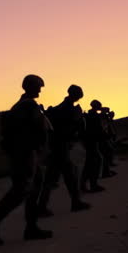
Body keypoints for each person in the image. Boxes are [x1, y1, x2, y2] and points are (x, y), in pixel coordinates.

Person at [0, 74, 53, 245]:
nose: (40, 90)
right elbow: (38, 129)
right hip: (24, 153)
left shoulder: (21, 106)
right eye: (38, 87)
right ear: (31, 87)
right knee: (21, 190)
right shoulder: (27, 106)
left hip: (27, 152)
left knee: (34, 187)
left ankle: (31, 227)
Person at [36, 84, 91, 217]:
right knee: (60, 177)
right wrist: (77, 121)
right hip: (60, 146)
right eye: (79, 93)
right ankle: (72, 203)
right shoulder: (67, 109)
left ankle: (71, 202)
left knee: (61, 176)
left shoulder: (61, 108)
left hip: (59, 146)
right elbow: (67, 128)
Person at [80, 100, 107, 193]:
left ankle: (84, 184)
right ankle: (93, 185)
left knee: (89, 163)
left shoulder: (90, 114)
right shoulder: (94, 116)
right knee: (94, 163)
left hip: (89, 141)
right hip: (93, 141)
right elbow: (98, 129)